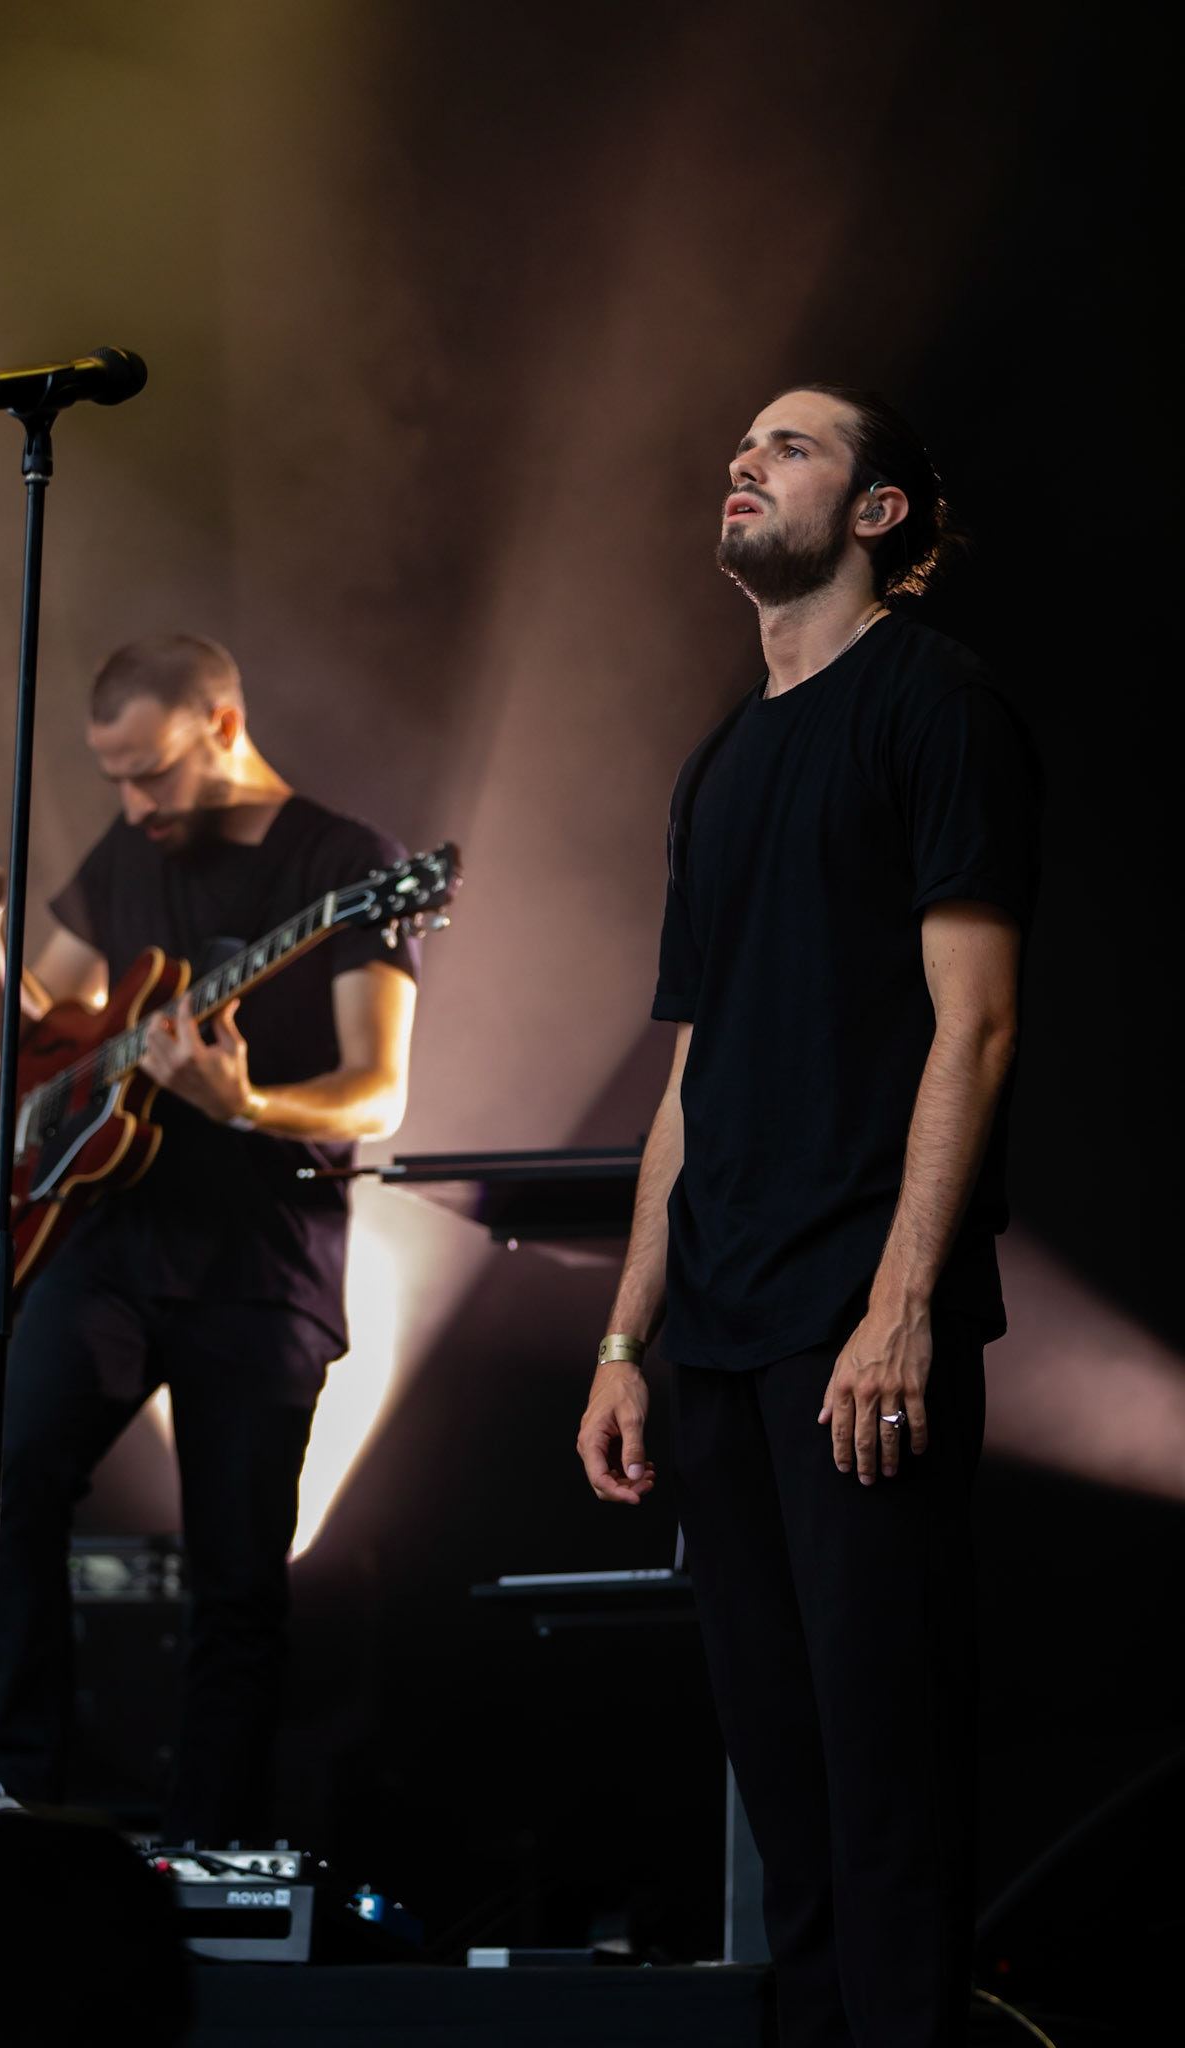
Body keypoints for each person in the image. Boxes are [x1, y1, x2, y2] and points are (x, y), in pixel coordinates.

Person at [577, 387, 1039, 2045]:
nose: (743, 461)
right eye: (741, 444)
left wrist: (903, 1300)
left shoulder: (935, 703)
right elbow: (687, 1081)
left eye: (792, 446)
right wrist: (630, 1333)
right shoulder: (719, 763)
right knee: (787, 1791)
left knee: (885, 1774)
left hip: (858, 1316)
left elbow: (974, 1020)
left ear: (881, 512)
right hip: (715, 1329)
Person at [0, 632, 418, 1845]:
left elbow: (379, 1090)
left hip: (263, 1259)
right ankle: (14, 1792)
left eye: (150, 772)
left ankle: (209, 1853)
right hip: (113, 1233)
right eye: (112, 777)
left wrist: (246, 1103)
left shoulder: (348, 863)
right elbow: (44, 1047)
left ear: (222, 722)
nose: (133, 802)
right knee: (16, 1469)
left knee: (237, 1574)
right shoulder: (127, 855)